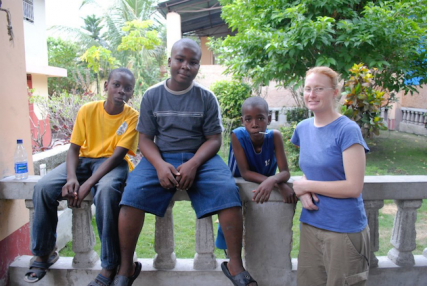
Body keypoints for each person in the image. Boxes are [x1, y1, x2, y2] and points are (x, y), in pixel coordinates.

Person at [112, 38, 257, 286]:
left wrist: (193, 164)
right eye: (180, 59)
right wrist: (158, 164)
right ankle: (125, 268)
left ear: (198, 66)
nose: (185, 66)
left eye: (193, 62)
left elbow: (213, 140)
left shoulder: (206, 97)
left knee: (227, 191)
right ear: (169, 61)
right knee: (131, 197)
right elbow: (145, 139)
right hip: (161, 155)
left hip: (200, 156)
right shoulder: (152, 95)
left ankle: (235, 264)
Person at [24, 68, 139, 286]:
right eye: (116, 85)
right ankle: (44, 253)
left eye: (127, 88)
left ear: (132, 93)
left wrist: (87, 185)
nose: (121, 91)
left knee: (106, 193)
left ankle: (109, 265)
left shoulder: (132, 117)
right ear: (106, 86)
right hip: (84, 162)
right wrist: (71, 178)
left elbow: (116, 157)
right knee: (43, 188)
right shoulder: (88, 110)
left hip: (112, 164)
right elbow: (74, 149)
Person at [291, 66, 370, 286]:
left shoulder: (347, 130)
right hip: (311, 226)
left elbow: (354, 187)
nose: (311, 94)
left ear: (335, 93)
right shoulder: (303, 128)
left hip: (343, 230)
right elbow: (313, 167)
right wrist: (303, 190)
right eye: (307, 88)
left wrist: (305, 185)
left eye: (319, 88)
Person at [216, 96, 297, 254]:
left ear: (268, 118)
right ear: (242, 121)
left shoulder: (274, 137)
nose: (255, 124)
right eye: (249, 119)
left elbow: (285, 171)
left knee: (259, 222)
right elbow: (245, 173)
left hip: (264, 181)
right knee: (232, 217)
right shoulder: (237, 136)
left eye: (260, 118)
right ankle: (229, 250)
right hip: (237, 183)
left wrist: (273, 180)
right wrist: (277, 183)